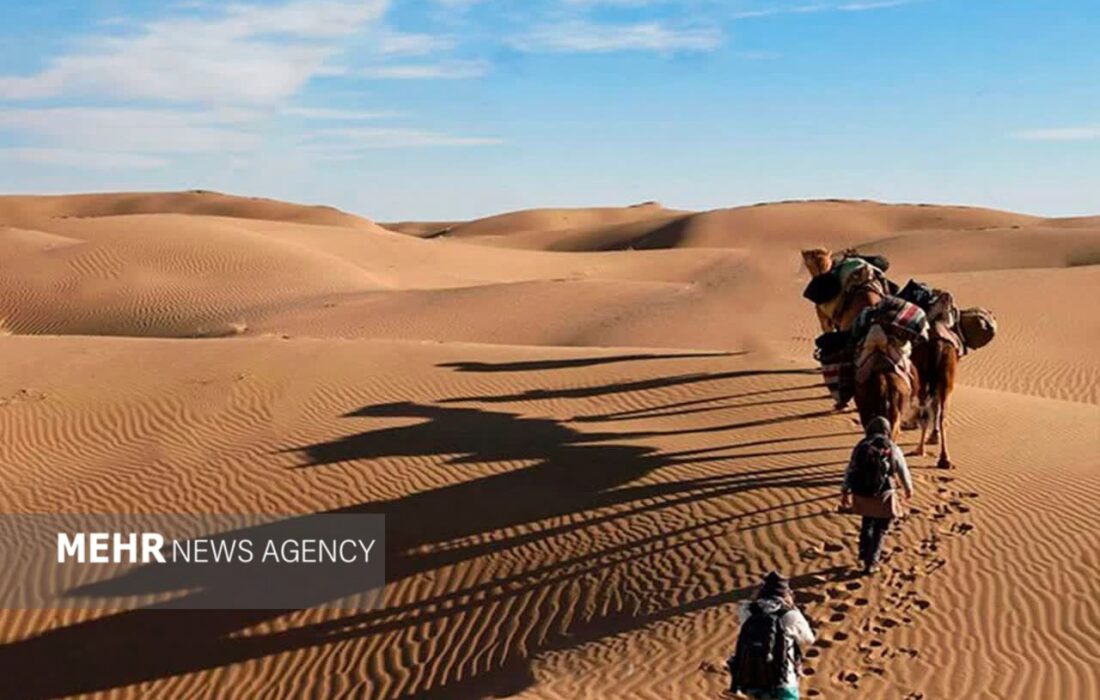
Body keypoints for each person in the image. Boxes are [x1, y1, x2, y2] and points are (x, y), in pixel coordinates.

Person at [839, 416, 914, 574]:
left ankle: (863, 551)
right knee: (881, 529)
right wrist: (908, 488)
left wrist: (845, 490)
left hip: (862, 493)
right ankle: (872, 562)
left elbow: (850, 469)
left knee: (867, 522)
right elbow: (902, 469)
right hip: (884, 494)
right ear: (887, 431)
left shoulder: (861, 446)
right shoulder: (892, 447)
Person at [727, 571, 815, 699]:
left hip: (752, 679)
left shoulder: (747, 610)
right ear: (786, 593)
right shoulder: (789, 615)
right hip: (784, 681)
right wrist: (794, 609)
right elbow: (808, 639)